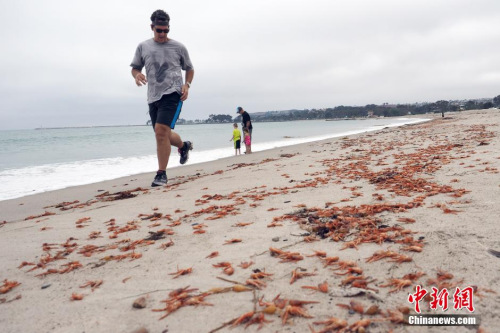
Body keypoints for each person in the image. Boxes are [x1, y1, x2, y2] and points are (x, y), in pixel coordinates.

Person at [130, 9, 195, 187]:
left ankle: (161, 174)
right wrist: (136, 75)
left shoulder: (178, 47)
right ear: (152, 27)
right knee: (162, 134)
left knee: (160, 132)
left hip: (173, 93)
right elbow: (135, 67)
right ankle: (183, 146)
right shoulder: (143, 47)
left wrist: (186, 85)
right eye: (159, 30)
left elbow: (189, 69)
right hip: (153, 96)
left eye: (166, 30)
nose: (162, 34)